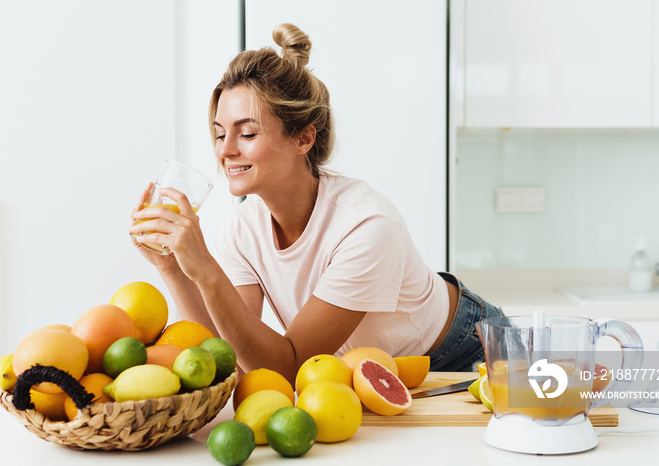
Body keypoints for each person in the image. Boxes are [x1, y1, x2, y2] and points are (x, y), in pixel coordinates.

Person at [130, 23, 501, 384]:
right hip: (364, 369)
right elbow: (227, 352)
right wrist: (174, 268)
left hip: (465, 352)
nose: (226, 150)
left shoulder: (366, 226)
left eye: (246, 133)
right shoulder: (243, 230)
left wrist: (206, 269)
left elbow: (288, 367)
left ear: (304, 138)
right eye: (219, 133)